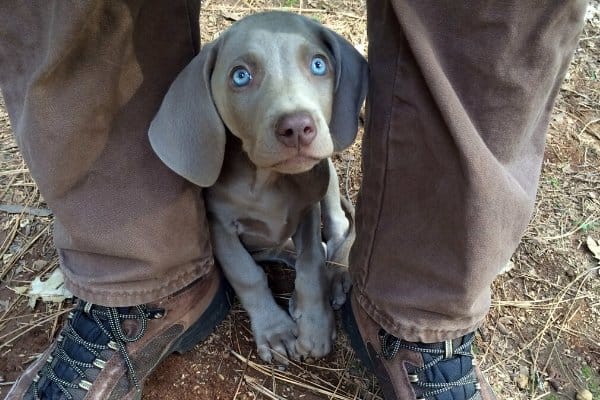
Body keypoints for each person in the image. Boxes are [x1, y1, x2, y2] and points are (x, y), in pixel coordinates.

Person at [0, 1, 587, 399]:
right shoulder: (214, 148)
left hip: (312, 218)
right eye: (240, 77)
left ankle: (420, 313)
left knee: (492, 17)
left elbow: (313, 209)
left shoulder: (313, 163)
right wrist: (259, 301)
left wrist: (317, 271)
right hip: (235, 218)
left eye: (317, 66)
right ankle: (140, 282)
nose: (297, 117)